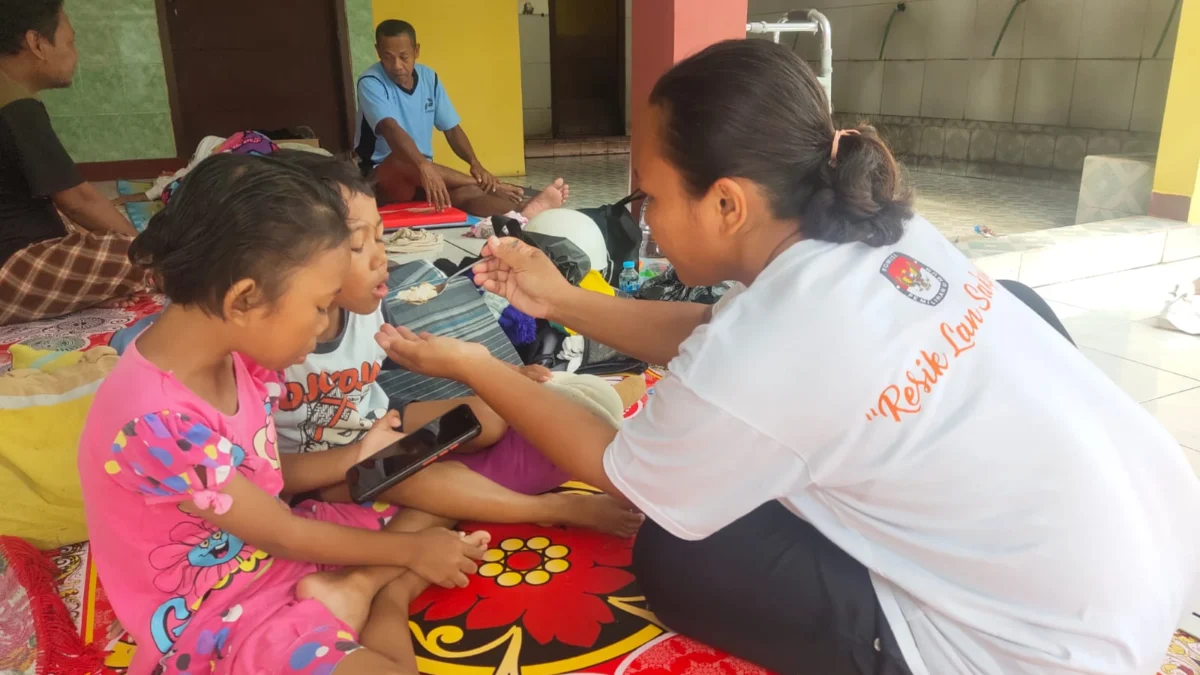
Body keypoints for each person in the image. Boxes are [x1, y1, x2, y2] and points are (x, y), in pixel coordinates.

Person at [373, 40, 1200, 675]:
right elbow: (730, 340)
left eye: (649, 197)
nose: (645, 218)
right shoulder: (881, 228)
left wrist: (477, 365)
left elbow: (625, 467)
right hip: (1155, 550)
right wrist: (561, 300)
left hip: (1042, 653)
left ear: (727, 202)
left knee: (678, 551)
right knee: (1010, 309)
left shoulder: (769, 344)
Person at [78, 154, 489, 675]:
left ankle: (362, 589)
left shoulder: (235, 359)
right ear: (245, 299)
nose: (322, 330)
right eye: (320, 306)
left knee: (440, 490)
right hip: (223, 614)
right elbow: (279, 530)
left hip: (274, 550)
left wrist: (356, 456)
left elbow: (261, 477)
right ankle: (377, 591)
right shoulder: (153, 421)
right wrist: (408, 553)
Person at [267, 150, 642, 537]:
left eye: (382, 236)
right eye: (360, 246)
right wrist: (361, 454)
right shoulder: (273, 347)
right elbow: (265, 472)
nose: (383, 257)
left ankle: (456, 490)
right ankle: (544, 506)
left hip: (378, 426)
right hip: (326, 467)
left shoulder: (363, 312)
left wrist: (503, 373)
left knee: (491, 417)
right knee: (410, 476)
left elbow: (394, 364)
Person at [0, 0, 148, 326]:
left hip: (22, 254)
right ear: (37, 43)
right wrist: (146, 256)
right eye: (70, 42)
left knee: (90, 234)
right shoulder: (15, 106)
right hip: (12, 269)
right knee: (153, 256)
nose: (75, 54)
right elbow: (79, 200)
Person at [354, 19, 567, 217]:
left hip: (421, 173)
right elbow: (390, 129)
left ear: (416, 50)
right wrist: (423, 165)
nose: (397, 65)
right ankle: (495, 186)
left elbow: (451, 129)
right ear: (377, 52)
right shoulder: (370, 82)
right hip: (380, 178)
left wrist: (475, 163)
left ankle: (524, 211)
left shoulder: (429, 78)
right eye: (388, 57)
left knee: (465, 194)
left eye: (403, 56)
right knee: (402, 159)